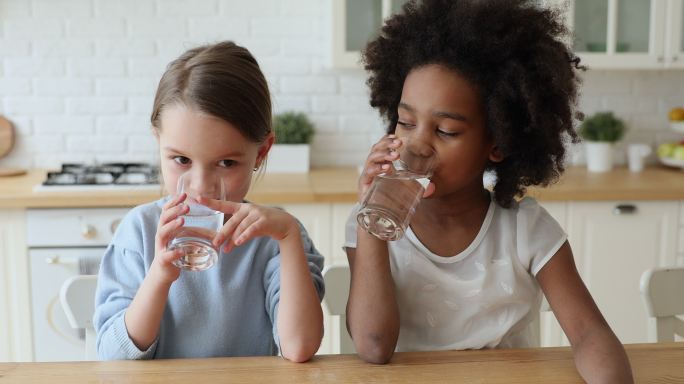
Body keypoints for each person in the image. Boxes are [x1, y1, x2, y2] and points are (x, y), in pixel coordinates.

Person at [344, 0, 634, 382]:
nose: (417, 145)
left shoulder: (525, 230)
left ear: (496, 143)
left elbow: (589, 334)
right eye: (405, 122)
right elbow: (374, 346)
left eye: (445, 131)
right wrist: (373, 222)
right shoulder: (370, 226)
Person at [94, 41, 324, 362]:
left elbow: (299, 347)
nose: (201, 189)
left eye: (226, 163)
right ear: (158, 142)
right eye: (181, 160)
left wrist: (287, 237)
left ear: (261, 152)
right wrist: (159, 277)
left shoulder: (276, 237)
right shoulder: (140, 231)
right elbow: (114, 358)